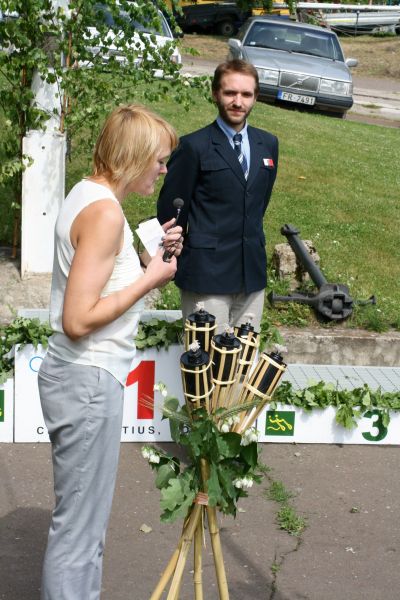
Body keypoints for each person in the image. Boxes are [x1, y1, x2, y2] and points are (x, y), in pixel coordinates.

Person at [37, 104, 182, 600]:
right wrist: (149, 279)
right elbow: (78, 320)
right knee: (80, 533)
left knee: (82, 525)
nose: (163, 170)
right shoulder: (104, 214)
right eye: (159, 160)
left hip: (79, 376)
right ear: (135, 156)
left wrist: (144, 260)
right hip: (88, 379)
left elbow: (95, 283)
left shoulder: (88, 194)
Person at [157, 59, 279, 332]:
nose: (238, 102)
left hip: (251, 275)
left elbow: (258, 205)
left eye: (246, 94)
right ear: (215, 94)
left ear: (256, 97)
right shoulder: (193, 146)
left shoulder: (268, 144)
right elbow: (171, 213)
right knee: (206, 357)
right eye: (230, 93)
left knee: (245, 356)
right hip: (206, 276)